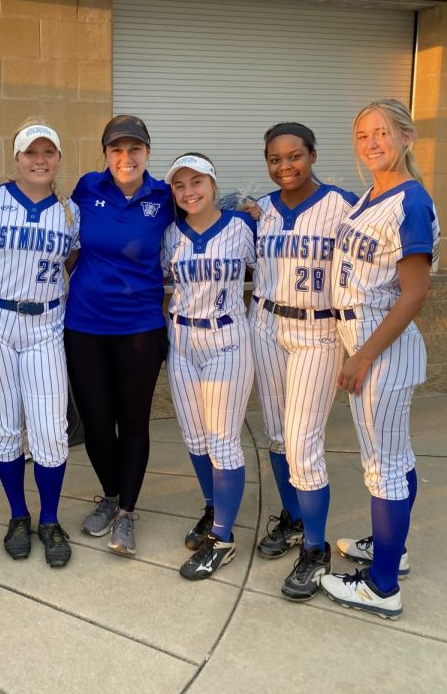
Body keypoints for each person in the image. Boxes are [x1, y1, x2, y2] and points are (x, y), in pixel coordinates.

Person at [320, 99, 439, 619]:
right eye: (363, 134)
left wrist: (363, 356)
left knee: (384, 468)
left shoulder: (410, 201)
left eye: (382, 133)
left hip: (380, 347)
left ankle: (382, 586)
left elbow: (415, 293)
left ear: (407, 137)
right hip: (368, 341)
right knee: (396, 458)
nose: (371, 142)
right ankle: (395, 548)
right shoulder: (373, 193)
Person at [251, 123, 358, 601]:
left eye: (294, 156)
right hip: (267, 324)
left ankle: (316, 550)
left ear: (312, 155)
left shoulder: (343, 205)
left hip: (317, 331)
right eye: (275, 159)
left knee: (302, 443)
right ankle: (294, 520)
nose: (284, 166)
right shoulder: (262, 211)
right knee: (276, 433)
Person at [0, 122, 79, 567]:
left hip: (46, 324)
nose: (39, 159)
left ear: (57, 158)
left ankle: (50, 519)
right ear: (16, 157)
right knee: (5, 427)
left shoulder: (70, 211)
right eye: (30, 152)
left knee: (51, 431)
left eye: (48, 152)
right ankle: (18, 515)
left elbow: (72, 261)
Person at [65, 115, 173, 556]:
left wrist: (253, 211)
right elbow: (65, 239)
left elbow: (205, 211)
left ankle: (126, 512)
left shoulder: (165, 196)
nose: (125, 158)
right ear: (105, 154)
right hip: (85, 325)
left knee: (132, 422)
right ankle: (110, 494)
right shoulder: (87, 188)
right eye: (116, 150)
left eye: (134, 149)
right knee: (94, 422)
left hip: (140, 329)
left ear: (148, 152)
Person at [161, 153, 255, 579]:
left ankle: (223, 537)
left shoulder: (243, 226)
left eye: (196, 182)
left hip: (227, 339)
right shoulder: (170, 235)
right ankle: (213, 507)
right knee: (196, 440)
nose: (188, 191)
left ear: (214, 184)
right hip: (182, 340)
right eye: (180, 186)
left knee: (222, 442)